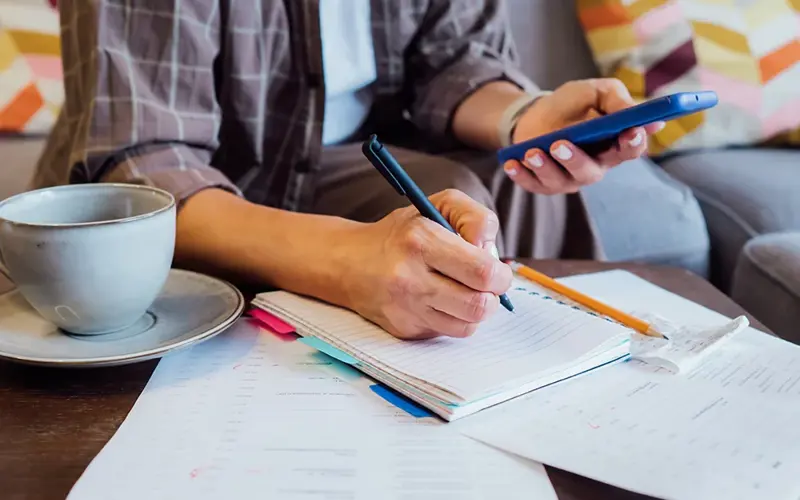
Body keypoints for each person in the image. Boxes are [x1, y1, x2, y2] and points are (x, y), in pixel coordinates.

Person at [33, 0, 660, 341]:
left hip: (352, 152)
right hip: (208, 183)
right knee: (448, 216)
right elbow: (152, 166)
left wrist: (527, 116)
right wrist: (344, 258)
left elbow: (454, 60)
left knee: (512, 181)